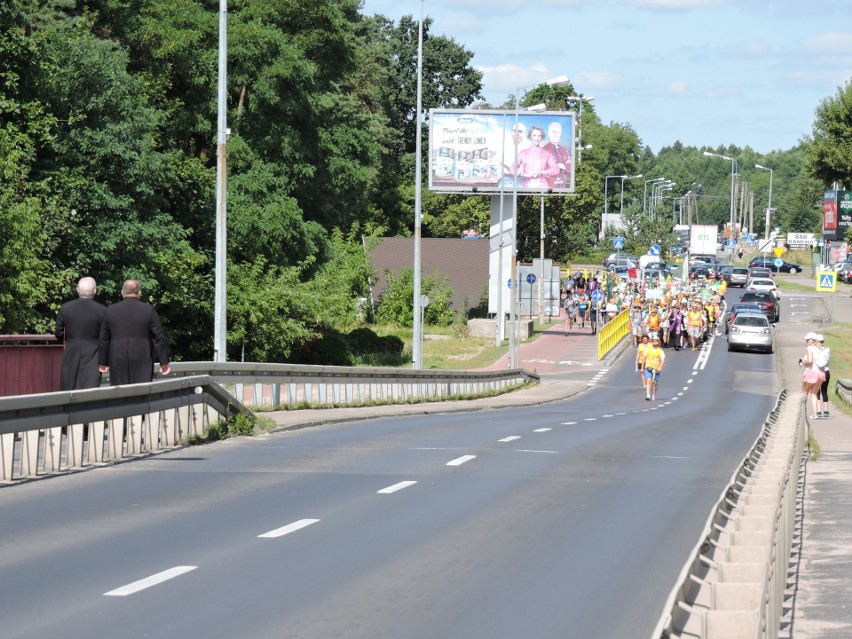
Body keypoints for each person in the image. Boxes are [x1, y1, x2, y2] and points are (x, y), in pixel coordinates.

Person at [99, 279, 171, 384]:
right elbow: (158, 337)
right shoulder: (148, 310)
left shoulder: (110, 310)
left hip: (117, 357)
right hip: (142, 357)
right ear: (139, 293)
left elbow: (104, 338)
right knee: (141, 393)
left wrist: (102, 362)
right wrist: (164, 361)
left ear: (122, 292)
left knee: (119, 394)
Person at [54, 276, 107, 390]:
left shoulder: (65, 308)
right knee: (89, 392)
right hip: (93, 355)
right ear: (95, 292)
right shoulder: (103, 310)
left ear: (77, 290)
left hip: (71, 352)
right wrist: (104, 360)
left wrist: (69, 341)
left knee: (68, 390)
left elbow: (58, 333)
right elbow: (105, 338)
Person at [799, 332, 825, 420]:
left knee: (804, 392)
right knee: (814, 393)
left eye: (808, 339)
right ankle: (815, 413)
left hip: (811, 372)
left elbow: (810, 361)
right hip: (820, 373)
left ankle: (802, 412)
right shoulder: (819, 349)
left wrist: (803, 362)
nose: (806, 341)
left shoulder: (809, 348)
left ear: (813, 340)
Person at [541, 121, 572, 189]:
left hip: (563, 187)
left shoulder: (564, 150)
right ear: (549, 133)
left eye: (558, 132)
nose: (556, 134)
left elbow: (570, 166)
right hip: (548, 188)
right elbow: (541, 168)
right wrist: (557, 166)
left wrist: (563, 166)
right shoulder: (544, 150)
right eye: (554, 132)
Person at [643, 335, 666, 400]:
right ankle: (648, 395)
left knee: (655, 383)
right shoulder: (648, 349)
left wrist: (660, 367)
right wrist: (642, 367)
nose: (654, 342)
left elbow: (663, 360)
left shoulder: (660, 351)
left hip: (656, 369)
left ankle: (653, 395)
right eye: (653, 341)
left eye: (656, 341)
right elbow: (644, 357)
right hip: (648, 367)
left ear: (658, 342)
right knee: (648, 380)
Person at [815, 334, 832, 418]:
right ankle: (825, 410)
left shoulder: (821, 351)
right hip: (826, 372)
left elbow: (822, 362)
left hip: (820, 372)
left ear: (818, 342)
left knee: (819, 391)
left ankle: (819, 410)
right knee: (823, 391)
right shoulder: (827, 350)